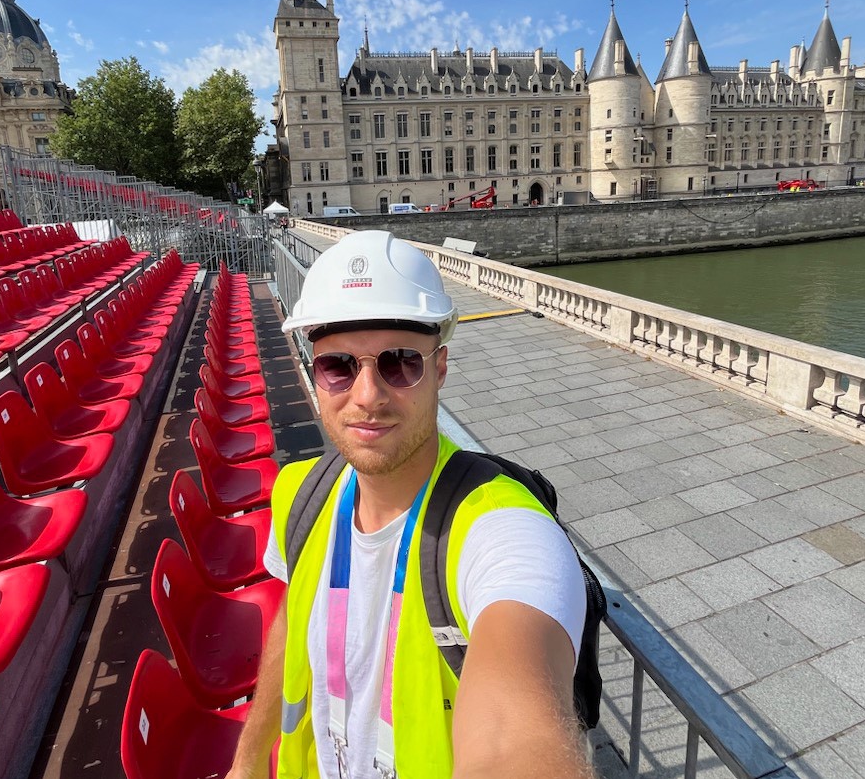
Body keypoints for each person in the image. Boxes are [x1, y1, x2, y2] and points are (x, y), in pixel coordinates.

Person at [225, 231, 591, 779]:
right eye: (338, 366)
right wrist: (249, 759)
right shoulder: (299, 494)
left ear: (439, 369)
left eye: (399, 364)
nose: (368, 395)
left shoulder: (500, 530)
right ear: (316, 374)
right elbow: (292, 622)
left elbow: (514, 736)